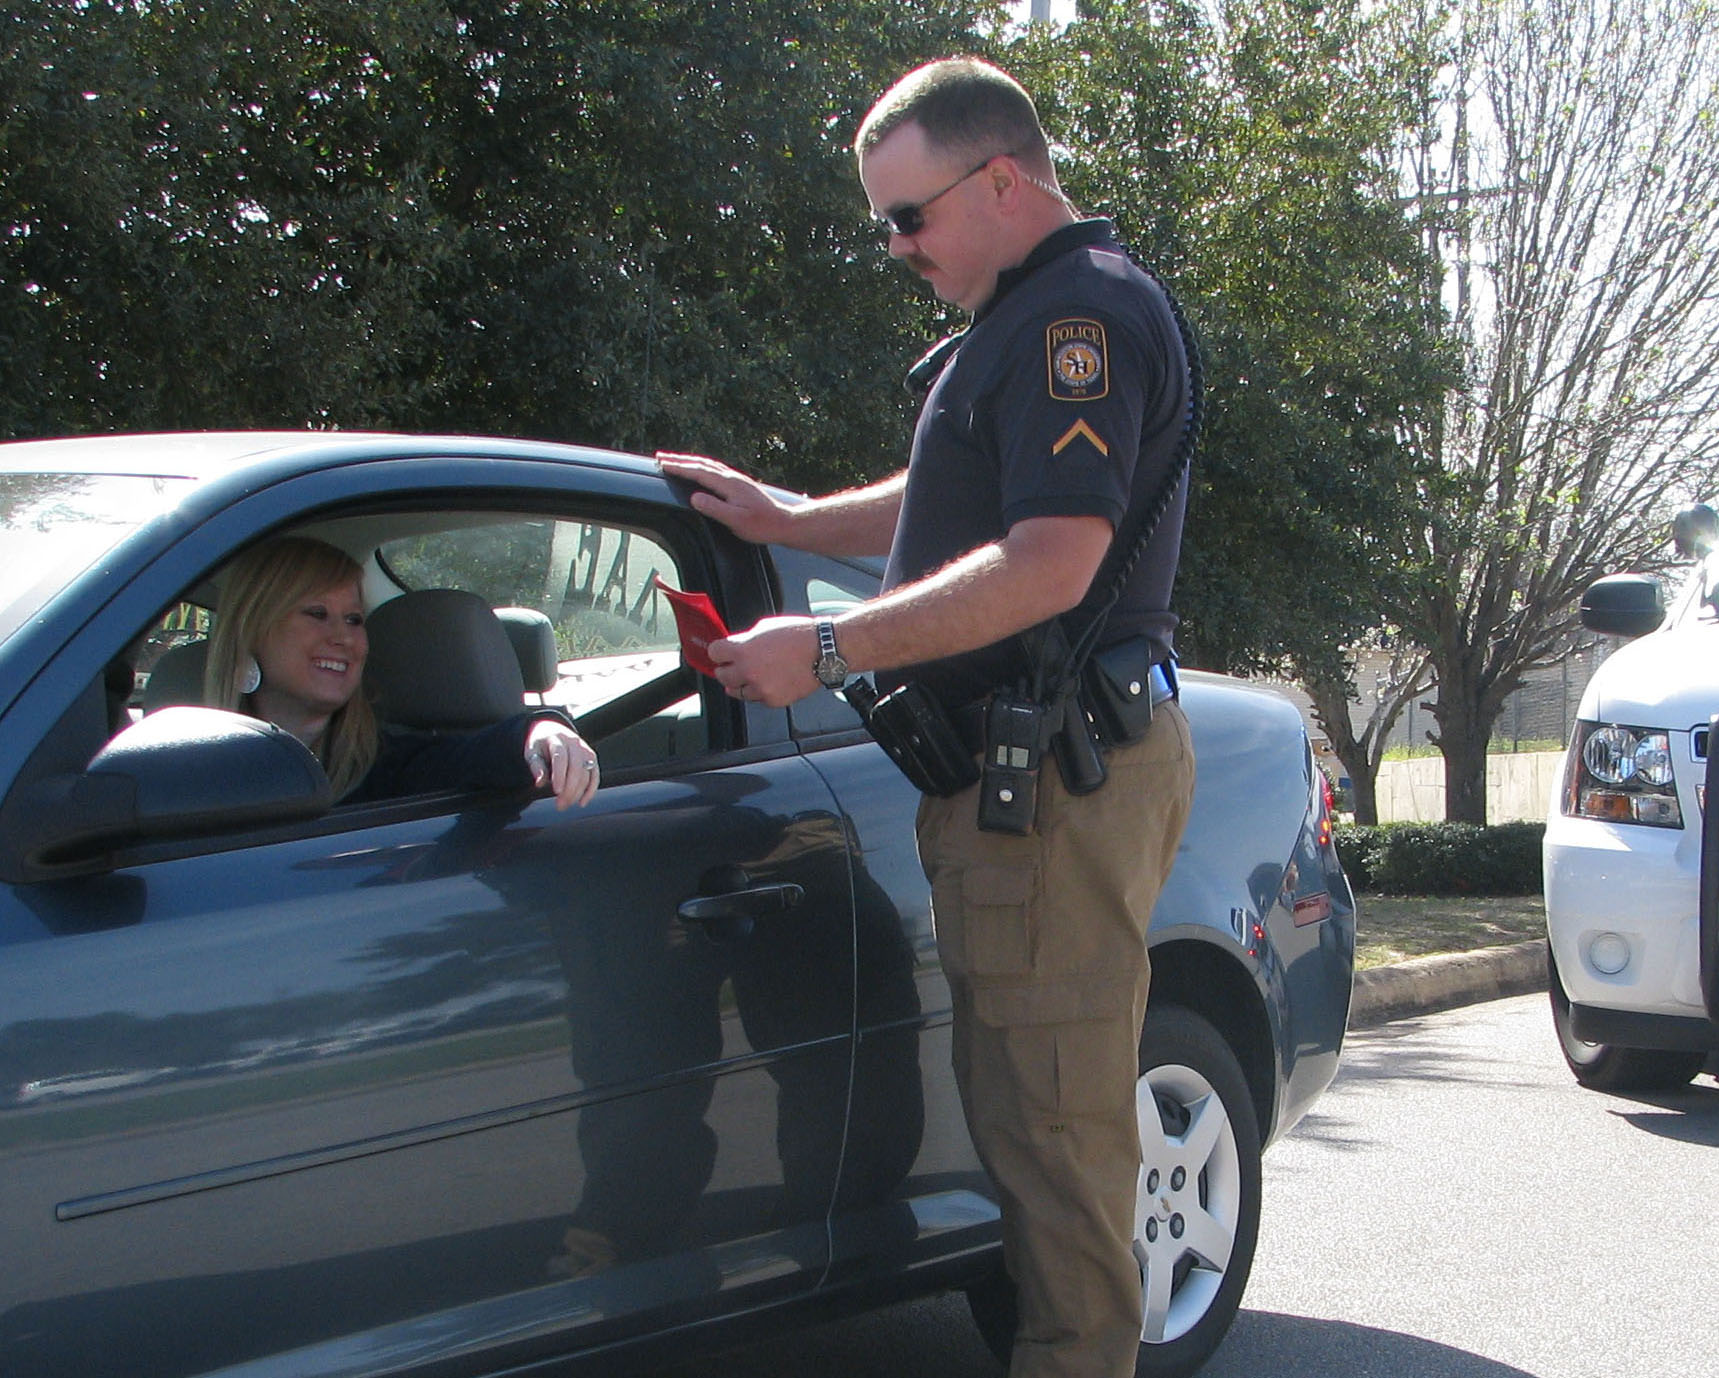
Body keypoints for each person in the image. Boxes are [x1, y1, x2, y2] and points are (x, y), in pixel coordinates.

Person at [658, 55, 1194, 1378]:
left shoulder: (1084, 317)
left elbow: (1050, 558)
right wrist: (791, 522)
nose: (897, 247)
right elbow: (945, 503)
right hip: (1026, 780)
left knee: (1058, 1138)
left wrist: (829, 642)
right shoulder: (1030, 315)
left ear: (1002, 179)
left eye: (910, 216)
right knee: (1026, 1124)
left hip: (1058, 780)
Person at [197, 535, 600, 807]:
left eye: (354, 619)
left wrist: (540, 731)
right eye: (317, 614)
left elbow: (466, 760)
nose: (344, 638)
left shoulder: (383, 766)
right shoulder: (192, 774)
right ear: (251, 631)